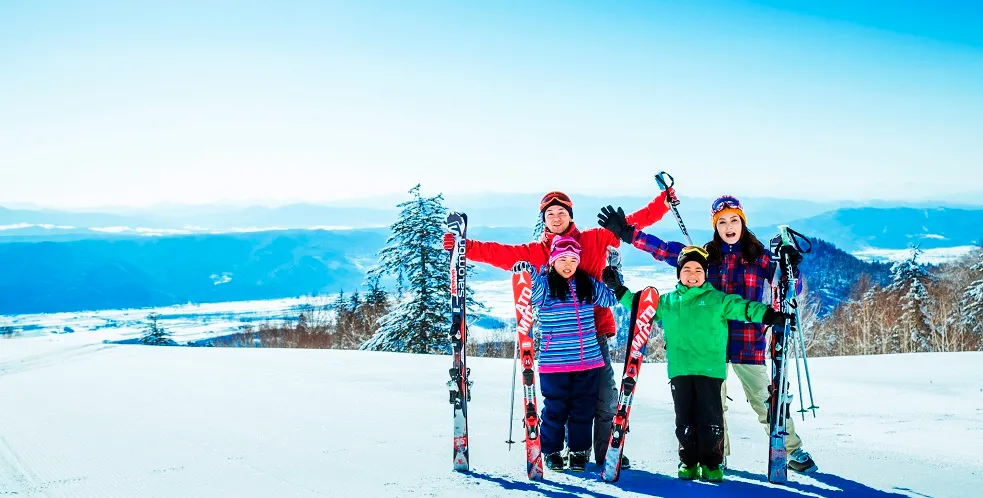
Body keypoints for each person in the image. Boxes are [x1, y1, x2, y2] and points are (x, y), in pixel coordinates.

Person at [443, 189, 674, 467]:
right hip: (559, 343)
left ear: (570, 216)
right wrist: (465, 247)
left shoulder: (595, 238)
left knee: (604, 398)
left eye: (561, 212)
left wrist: (662, 203)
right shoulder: (536, 252)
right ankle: (559, 451)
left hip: (593, 336)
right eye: (550, 214)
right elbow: (500, 253)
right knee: (561, 403)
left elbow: (632, 225)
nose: (556, 217)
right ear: (543, 219)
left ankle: (606, 452)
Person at [597, 194, 818, 474]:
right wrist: (629, 234)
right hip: (709, 346)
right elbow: (665, 250)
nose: (728, 226)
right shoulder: (705, 256)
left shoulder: (758, 256)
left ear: (742, 222)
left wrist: (791, 267)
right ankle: (717, 456)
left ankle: (791, 449)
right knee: (713, 409)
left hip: (746, 343)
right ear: (715, 225)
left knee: (765, 400)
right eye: (722, 221)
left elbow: (789, 288)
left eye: (734, 220)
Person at [602, 245, 791, 482]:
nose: (692, 274)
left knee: (710, 420)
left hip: (710, 369)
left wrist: (768, 315)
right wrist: (619, 289)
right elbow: (641, 308)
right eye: (687, 269)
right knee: (684, 420)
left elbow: (742, 307)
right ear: (679, 273)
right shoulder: (668, 302)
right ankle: (688, 461)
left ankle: (712, 463)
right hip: (680, 369)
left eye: (698, 270)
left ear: (705, 274)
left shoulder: (717, 299)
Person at [514, 235, 619, 471]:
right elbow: (530, 291)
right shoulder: (546, 285)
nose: (568, 263)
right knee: (555, 410)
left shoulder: (587, 284)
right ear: (553, 261)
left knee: (583, 410)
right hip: (555, 364)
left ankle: (578, 452)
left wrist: (614, 272)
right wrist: (526, 271)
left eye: (573, 258)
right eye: (562, 259)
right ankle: (551, 451)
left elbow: (611, 298)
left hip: (588, 361)